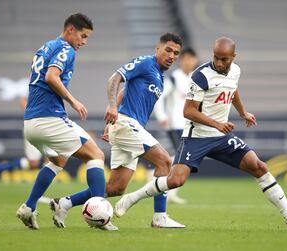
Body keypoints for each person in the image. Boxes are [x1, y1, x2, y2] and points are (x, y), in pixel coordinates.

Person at [113, 37, 287, 230]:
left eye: (224, 59)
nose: (219, 63)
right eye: (216, 58)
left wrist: (242, 112)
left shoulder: (235, 71)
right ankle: (132, 198)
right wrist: (217, 124)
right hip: (197, 136)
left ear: (233, 57)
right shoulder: (200, 76)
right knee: (176, 180)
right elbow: (188, 111)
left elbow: (233, 89)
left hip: (222, 137)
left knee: (259, 166)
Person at [50, 33, 185, 228]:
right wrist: (112, 107)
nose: (172, 56)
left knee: (115, 188)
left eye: (176, 53)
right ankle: (160, 218)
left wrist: (112, 116)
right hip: (127, 125)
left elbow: (124, 91)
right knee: (164, 161)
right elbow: (115, 78)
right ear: (158, 49)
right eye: (168, 50)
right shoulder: (146, 63)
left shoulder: (159, 77)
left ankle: (63, 203)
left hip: (126, 126)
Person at [16, 13, 116, 231]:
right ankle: (101, 216)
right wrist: (73, 101)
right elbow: (52, 77)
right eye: (83, 36)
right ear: (70, 30)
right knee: (96, 155)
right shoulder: (65, 49)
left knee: (58, 161)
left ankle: (28, 207)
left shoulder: (46, 46)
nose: (84, 42)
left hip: (31, 123)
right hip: (49, 117)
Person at [153, 47, 199, 204]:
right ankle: (167, 188)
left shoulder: (194, 78)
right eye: (188, 58)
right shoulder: (174, 78)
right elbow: (159, 96)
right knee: (182, 159)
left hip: (188, 124)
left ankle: (154, 173)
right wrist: (162, 116)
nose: (191, 62)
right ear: (183, 59)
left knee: (177, 157)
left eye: (193, 59)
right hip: (175, 124)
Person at [0, 95, 43, 187]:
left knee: (34, 163)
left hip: (41, 130)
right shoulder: (36, 92)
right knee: (33, 162)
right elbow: (23, 100)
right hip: (33, 130)